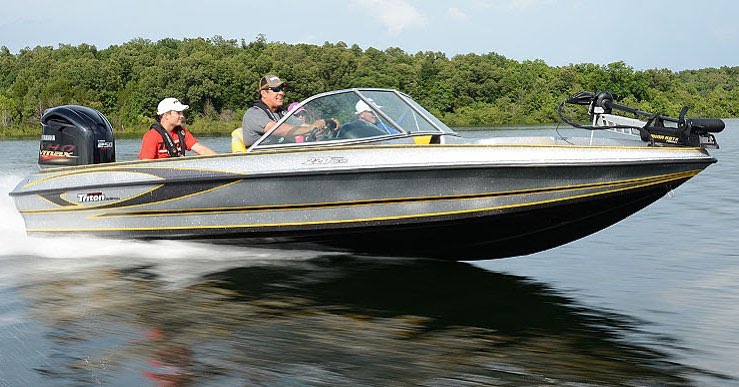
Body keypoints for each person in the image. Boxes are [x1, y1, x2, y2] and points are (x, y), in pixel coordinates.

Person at [138, 98, 216, 159]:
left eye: (182, 113)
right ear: (166, 115)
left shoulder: (182, 132)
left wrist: (222, 160)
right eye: (178, 113)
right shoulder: (151, 136)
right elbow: (146, 163)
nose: (182, 116)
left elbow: (202, 150)